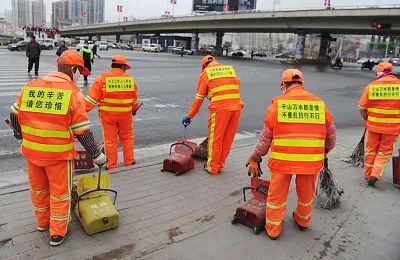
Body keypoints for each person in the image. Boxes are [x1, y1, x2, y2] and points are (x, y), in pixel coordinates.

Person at [9, 50, 107, 246]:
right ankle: (57, 233)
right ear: (73, 69)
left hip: (32, 153)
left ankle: (43, 223)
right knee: (60, 194)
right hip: (58, 156)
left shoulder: (32, 85)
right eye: (80, 72)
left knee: (38, 190)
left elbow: (14, 114)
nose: (80, 77)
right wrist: (97, 155)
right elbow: (82, 131)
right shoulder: (72, 93)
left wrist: (20, 136)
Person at [246, 69, 336, 240]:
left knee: (277, 196)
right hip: (310, 162)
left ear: (283, 85)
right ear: (301, 84)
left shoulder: (278, 105)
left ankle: (273, 229)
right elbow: (331, 135)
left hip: (283, 162)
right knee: (306, 194)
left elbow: (265, 139)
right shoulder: (319, 105)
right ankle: (303, 221)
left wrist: (255, 157)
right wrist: (324, 151)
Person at [182, 55, 244, 175]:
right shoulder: (229, 70)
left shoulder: (206, 73)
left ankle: (213, 167)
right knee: (227, 138)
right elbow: (232, 88)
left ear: (204, 65)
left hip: (220, 110)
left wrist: (189, 116)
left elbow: (198, 99)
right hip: (236, 108)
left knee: (215, 139)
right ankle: (220, 164)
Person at [85, 55, 139, 170]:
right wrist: (133, 111)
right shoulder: (130, 80)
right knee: (127, 138)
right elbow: (134, 100)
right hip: (126, 115)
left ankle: (112, 165)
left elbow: (90, 100)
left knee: (110, 140)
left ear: (112, 65)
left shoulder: (102, 79)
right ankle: (129, 161)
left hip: (108, 116)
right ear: (123, 66)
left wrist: (80, 112)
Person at [358, 62, 400, 186]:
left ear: (379, 72)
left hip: (373, 126)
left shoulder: (372, 86)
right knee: (384, 151)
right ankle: (375, 174)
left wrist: (366, 118)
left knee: (371, 150)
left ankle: (368, 174)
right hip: (393, 128)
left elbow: (361, 107)